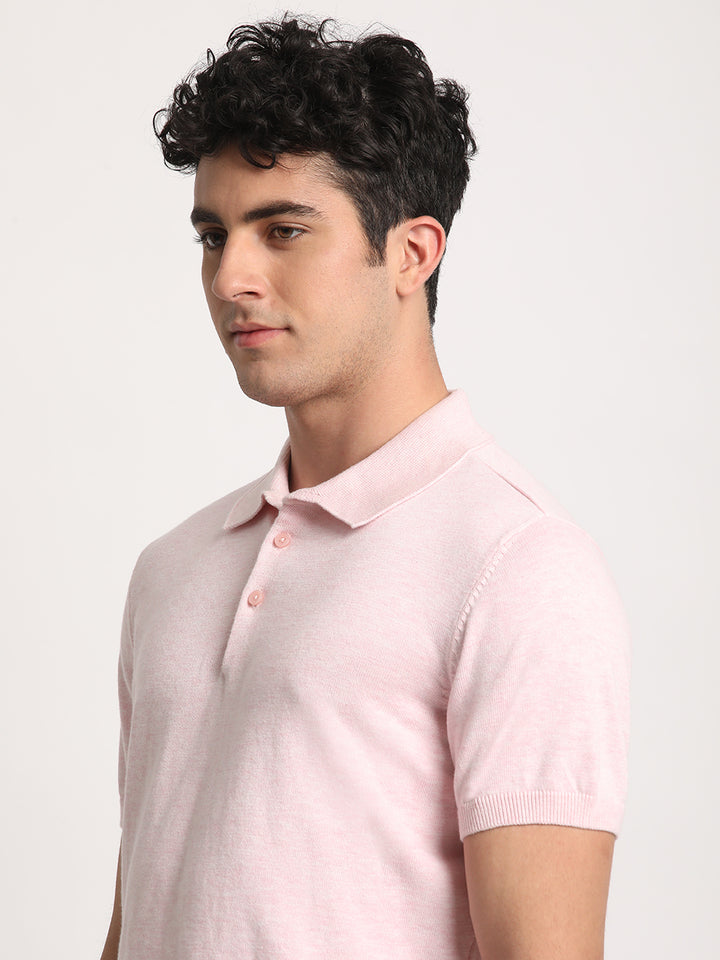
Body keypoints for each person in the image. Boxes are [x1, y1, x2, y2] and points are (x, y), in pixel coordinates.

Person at [101, 14, 630, 960]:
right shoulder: (170, 570)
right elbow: (138, 920)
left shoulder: (517, 566)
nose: (232, 277)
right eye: (214, 236)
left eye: (283, 231)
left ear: (413, 254)